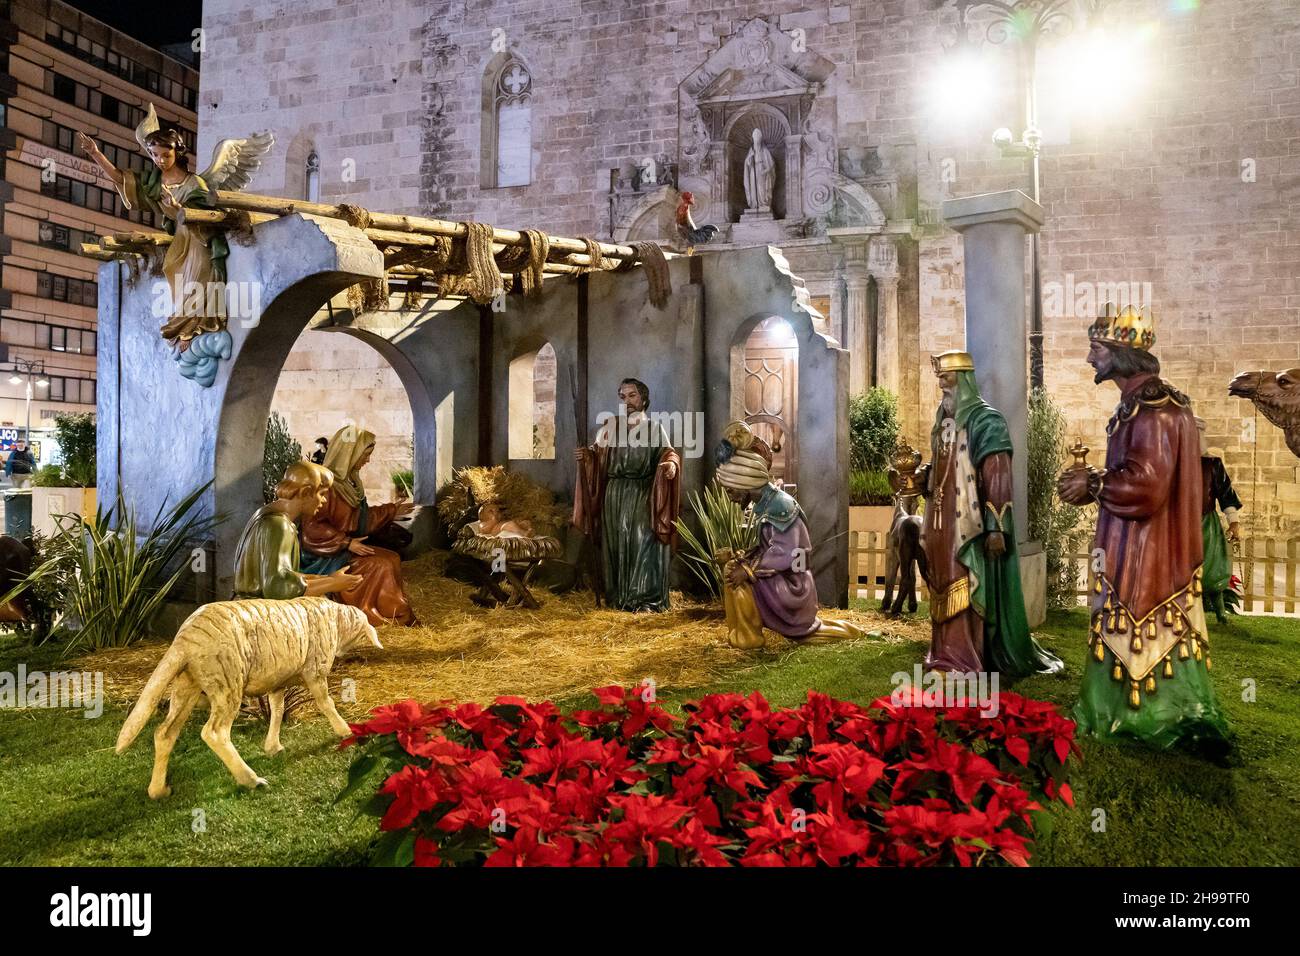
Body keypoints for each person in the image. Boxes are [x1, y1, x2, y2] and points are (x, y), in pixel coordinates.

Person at [1057, 304, 1230, 756]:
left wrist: (1094, 483)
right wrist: (1095, 484)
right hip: (1134, 543)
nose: (1090, 359)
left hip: (1149, 551)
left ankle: (1144, 713)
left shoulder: (1155, 410)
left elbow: (1148, 487)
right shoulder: (1144, 404)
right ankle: (1125, 705)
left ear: (1121, 353)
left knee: (1141, 628)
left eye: (1096, 349)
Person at [921, 351, 1063, 678]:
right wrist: (922, 477)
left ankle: (962, 658)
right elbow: (942, 467)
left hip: (969, 524)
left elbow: (998, 475)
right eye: (940, 379)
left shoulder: (987, 421)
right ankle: (943, 651)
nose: (941, 386)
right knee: (944, 580)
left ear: (964, 380)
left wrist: (996, 526)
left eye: (947, 379)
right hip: (942, 519)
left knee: (965, 580)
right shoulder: (944, 421)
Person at [714, 421, 862, 648]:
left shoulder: (780, 506)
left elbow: (789, 553)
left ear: (744, 481)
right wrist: (745, 557)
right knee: (733, 569)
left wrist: (748, 570)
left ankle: (748, 638)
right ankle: (740, 633)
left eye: (730, 490)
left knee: (739, 578)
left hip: (794, 586)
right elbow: (771, 548)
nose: (731, 497)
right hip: (784, 578)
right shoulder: (766, 503)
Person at [76, 125, 228, 345]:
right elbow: (120, 178)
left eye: (166, 155)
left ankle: (197, 326)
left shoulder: (194, 183)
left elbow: (205, 214)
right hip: (180, 240)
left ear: (177, 153)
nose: (160, 160)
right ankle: (185, 326)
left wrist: (178, 209)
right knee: (176, 275)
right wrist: (95, 153)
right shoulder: (154, 182)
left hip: (198, 238)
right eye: (155, 155)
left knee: (197, 277)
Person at [573, 378, 681, 612]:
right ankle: (619, 597)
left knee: (643, 542)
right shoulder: (611, 427)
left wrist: (671, 466)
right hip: (614, 495)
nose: (627, 401)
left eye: (632, 395)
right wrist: (587, 457)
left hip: (642, 492)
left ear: (643, 398)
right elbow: (596, 455)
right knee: (617, 544)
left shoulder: (654, 428)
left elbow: (668, 454)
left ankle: (643, 599)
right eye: (623, 397)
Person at [301, 426, 416, 626]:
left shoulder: (351, 482)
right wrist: (346, 542)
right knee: (381, 565)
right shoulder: (326, 486)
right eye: (365, 455)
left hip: (340, 550)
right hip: (323, 557)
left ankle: (394, 612)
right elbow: (311, 528)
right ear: (349, 454)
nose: (368, 460)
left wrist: (391, 511)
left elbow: (359, 519)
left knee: (392, 557)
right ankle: (378, 616)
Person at [232, 461, 362, 600]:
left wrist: (328, 578)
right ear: (305, 493)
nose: (324, 500)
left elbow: (284, 575)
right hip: (261, 607)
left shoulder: (265, 515)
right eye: (322, 494)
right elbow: (277, 587)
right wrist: (331, 584)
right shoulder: (279, 525)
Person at [1197, 418, 1243, 623]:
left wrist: (1234, 522)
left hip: (1207, 524)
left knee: (1213, 568)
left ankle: (1220, 612)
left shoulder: (1212, 464)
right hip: (1179, 526)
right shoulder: (1172, 464)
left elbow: (1225, 493)